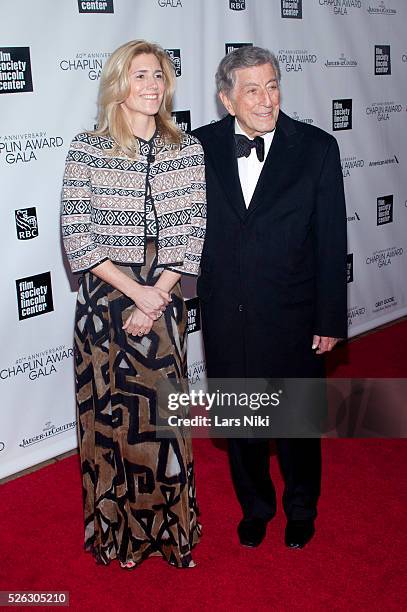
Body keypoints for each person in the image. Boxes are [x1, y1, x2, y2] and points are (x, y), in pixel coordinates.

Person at [193, 46, 347, 549]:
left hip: (294, 314)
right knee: (243, 428)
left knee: (297, 424)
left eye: (273, 86)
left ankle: (302, 508)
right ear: (227, 100)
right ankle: (256, 507)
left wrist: (329, 317)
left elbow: (330, 241)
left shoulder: (318, 149)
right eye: (252, 90)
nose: (266, 100)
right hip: (227, 313)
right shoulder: (197, 148)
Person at [61, 40, 206, 569]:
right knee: (110, 418)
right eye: (140, 75)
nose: (151, 85)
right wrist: (135, 292)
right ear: (118, 85)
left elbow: (192, 231)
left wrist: (156, 295)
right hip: (107, 301)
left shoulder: (186, 149)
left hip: (163, 300)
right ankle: (118, 534)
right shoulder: (88, 148)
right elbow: (78, 236)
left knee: (163, 418)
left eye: (159, 76)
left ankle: (170, 533)